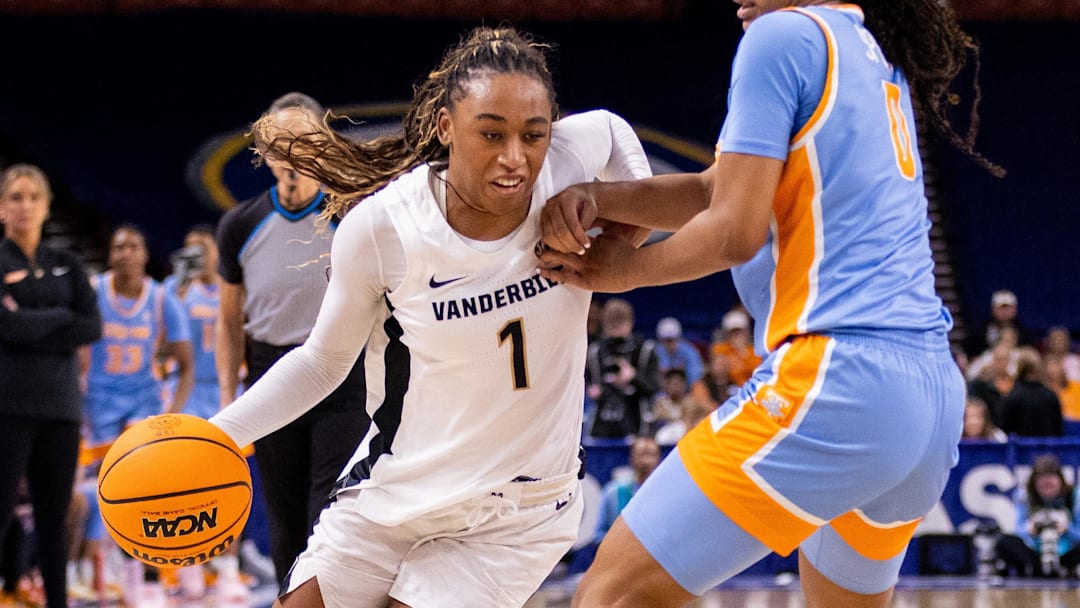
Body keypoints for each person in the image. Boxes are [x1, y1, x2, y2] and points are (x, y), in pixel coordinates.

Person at [537, 1, 1002, 605]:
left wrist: (629, 269)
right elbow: (717, 191)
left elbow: (735, 230)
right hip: (930, 400)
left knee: (612, 593)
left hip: (841, 379)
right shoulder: (875, 54)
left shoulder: (783, 36)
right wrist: (599, 199)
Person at [209, 25, 652, 608]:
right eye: (490, 133)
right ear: (445, 127)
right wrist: (216, 438)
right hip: (401, 489)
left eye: (533, 134)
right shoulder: (385, 226)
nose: (515, 157)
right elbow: (322, 362)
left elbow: (616, 131)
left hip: (519, 508)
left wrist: (622, 235)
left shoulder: (567, 163)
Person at [214, 92, 372, 584]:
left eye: (303, 140)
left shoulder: (354, 214)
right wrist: (227, 392)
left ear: (322, 145)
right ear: (265, 152)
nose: (292, 153)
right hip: (269, 374)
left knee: (328, 510)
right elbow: (227, 319)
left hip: (343, 377)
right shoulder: (239, 224)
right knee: (282, 514)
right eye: (280, 143)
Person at [0, 163, 102, 608]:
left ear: (46, 206)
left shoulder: (68, 263)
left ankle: (57, 602)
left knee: (54, 518)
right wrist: (61, 320)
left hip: (62, 408)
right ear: (2, 207)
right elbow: (4, 326)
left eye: (33, 197)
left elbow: (91, 326)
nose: (25, 206)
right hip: (9, 405)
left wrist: (29, 320)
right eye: (16, 197)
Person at [83, 223, 193, 605]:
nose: (126, 252)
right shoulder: (94, 291)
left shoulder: (162, 299)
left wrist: (172, 414)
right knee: (101, 492)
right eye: (119, 247)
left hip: (144, 404)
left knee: (140, 491)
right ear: (110, 255)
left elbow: (186, 364)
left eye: (134, 246)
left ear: (145, 255)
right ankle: (101, 567)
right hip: (97, 403)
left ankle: (141, 575)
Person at [585, 298, 661, 439]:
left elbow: (654, 387)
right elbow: (588, 381)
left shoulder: (645, 349)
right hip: (601, 422)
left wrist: (633, 377)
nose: (614, 332)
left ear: (630, 323)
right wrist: (593, 390)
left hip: (636, 422)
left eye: (619, 324)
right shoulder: (595, 350)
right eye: (610, 324)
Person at [995, 454, 1080, 578]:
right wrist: (1030, 529)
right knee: (1004, 542)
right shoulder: (1024, 495)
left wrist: (1067, 528)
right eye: (1042, 487)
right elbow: (1018, 528)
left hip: (1066, 550)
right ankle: (1031, 568)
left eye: (1051, 486)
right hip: (1035, 549)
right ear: (1034, 484)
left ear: (1061, 481)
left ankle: (1069, 568)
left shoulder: (1075, 495)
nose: (1047, 492)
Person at [593, 437, 661, 544]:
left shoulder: (664, 495)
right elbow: (598, 535)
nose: (646, 460)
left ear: (658, 459)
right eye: (642, 454)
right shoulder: (613, 492)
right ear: (631, 458)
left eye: (650, 454)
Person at [999, 347, 1064, 438]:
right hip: (1047, 450)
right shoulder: (1050, 395)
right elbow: (1058, 429)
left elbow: (1004, 428)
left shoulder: (1013, 396)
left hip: (1019, 451)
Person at [654, 316, 705, 385]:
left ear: (679, 338)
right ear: (660, 340)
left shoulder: (689, 351)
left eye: (672, 340)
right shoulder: (655, 352)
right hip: (662, 390)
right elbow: (652, 377)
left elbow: (696, 375)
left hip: (686, 389)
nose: (669, 344)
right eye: (666, 340)